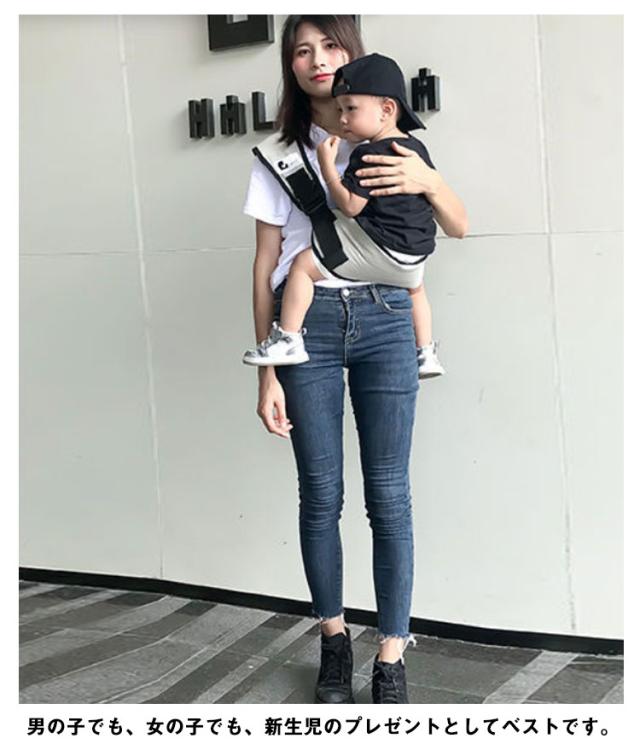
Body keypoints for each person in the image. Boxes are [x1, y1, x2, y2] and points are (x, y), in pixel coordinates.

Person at [243, 15, 467, 704]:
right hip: (304, 323)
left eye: (330, 45)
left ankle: (392, 652)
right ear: (289, 65)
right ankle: (334, 639)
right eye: (301, 50)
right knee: (320, 494)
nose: (316, 59)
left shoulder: (391, 140)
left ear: (353, 56)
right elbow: (264, 262)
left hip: (386, 317)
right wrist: (268, 369)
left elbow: (456, 223)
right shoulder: (280, 154)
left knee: (389, 494)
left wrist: (429, 181)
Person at [243, 52, 445, 380]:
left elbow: (351, 206)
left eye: (350, 109)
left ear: (386, 109)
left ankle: (289, 338)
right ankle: (426, 352)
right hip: (413, 255)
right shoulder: (414, 149)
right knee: (416, 288)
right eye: (303, 51)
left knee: (303, 266)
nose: (344, 118)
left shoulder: (367, 153)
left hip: (378, 265)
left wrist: (327, 168)